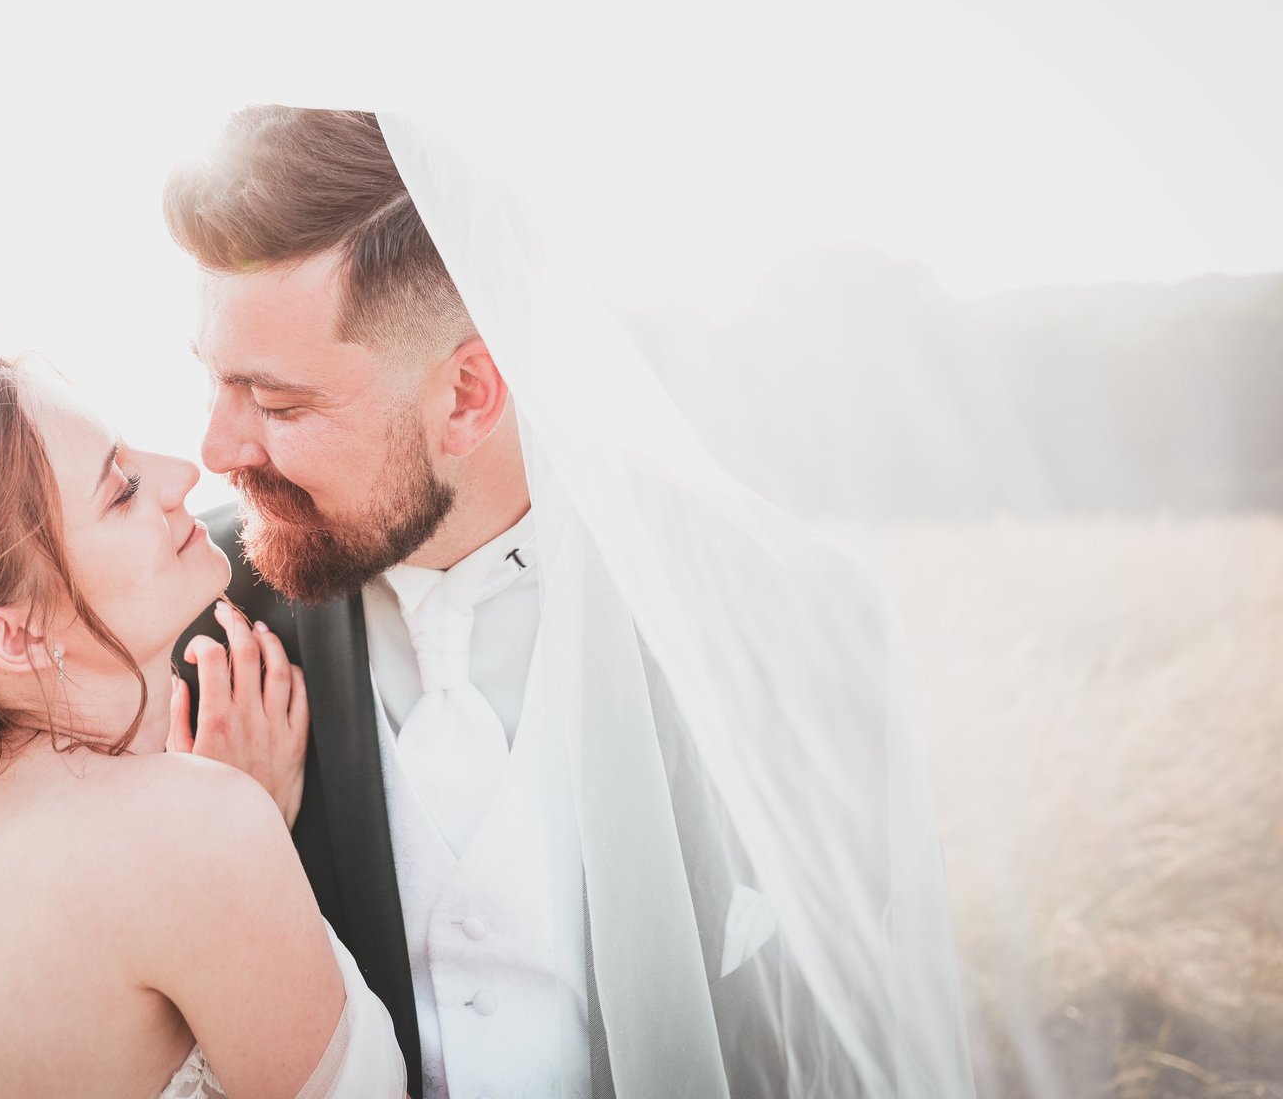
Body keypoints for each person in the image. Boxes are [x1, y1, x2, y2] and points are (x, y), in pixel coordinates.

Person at [166, 108, 976, 1098]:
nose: (215, 448)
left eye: (279, 404)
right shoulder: (185, 609)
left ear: (468, 394)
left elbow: (853, 1023)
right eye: (213, 381)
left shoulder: (795, 616)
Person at [0, 355, 408, 1099]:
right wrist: (235, 827)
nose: (183, 475)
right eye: (122, 491)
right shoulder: (199, 833)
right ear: (16, 636)